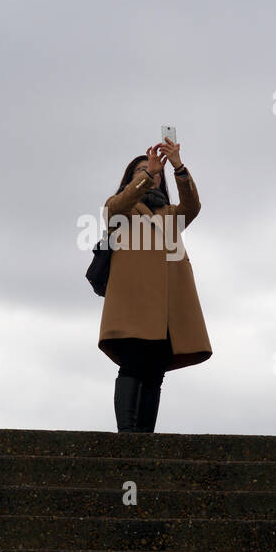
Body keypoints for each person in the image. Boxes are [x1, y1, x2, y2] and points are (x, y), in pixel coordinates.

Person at [97, 137, 212, 432]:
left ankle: (145, 438)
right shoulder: (118, 210)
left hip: (167, 309)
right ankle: (128, 435)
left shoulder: (170, 215)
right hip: (133, 304)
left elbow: (192, 205)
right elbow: (117, 204)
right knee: (133, 364)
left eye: (154, 171)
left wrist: (177, 165)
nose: (150, 171)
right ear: (131, 178)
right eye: (141, 169)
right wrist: (149, 174)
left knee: (155, 373)